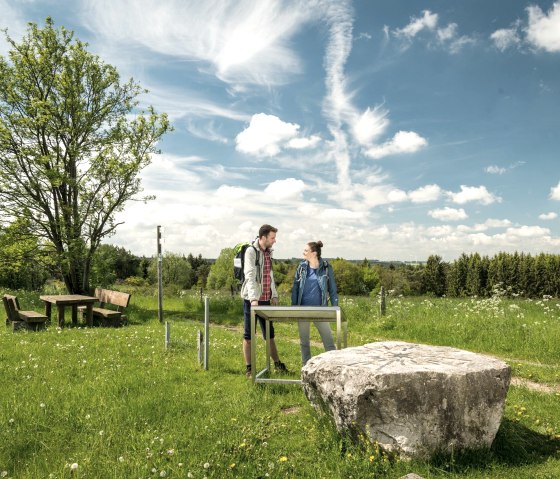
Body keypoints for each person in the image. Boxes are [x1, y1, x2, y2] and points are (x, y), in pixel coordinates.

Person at [241, 224, 289, 378]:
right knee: (249, 335)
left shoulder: (268, 253)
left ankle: (277, 364)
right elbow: (249, 275)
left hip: (266, 300)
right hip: (252, 301)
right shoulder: (251, 251)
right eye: (272, 238)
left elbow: (270, 275)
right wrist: (254, 299)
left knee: (269, 334)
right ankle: (249, 368)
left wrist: (273, 294)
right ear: (263, 237)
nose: (274, 241)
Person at [291, 240, 338, 366]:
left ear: (314, 253)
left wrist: (335, 308)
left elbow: (333, 290)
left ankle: (334, 366)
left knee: (328, 341)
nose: (303, 252)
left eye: (306, 250)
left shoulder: (327, 268)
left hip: (321, 310)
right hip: (302, 310)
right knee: (304, 342)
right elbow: (295, 288)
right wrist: (294, 308)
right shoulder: (301, 267)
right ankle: (306, 368)